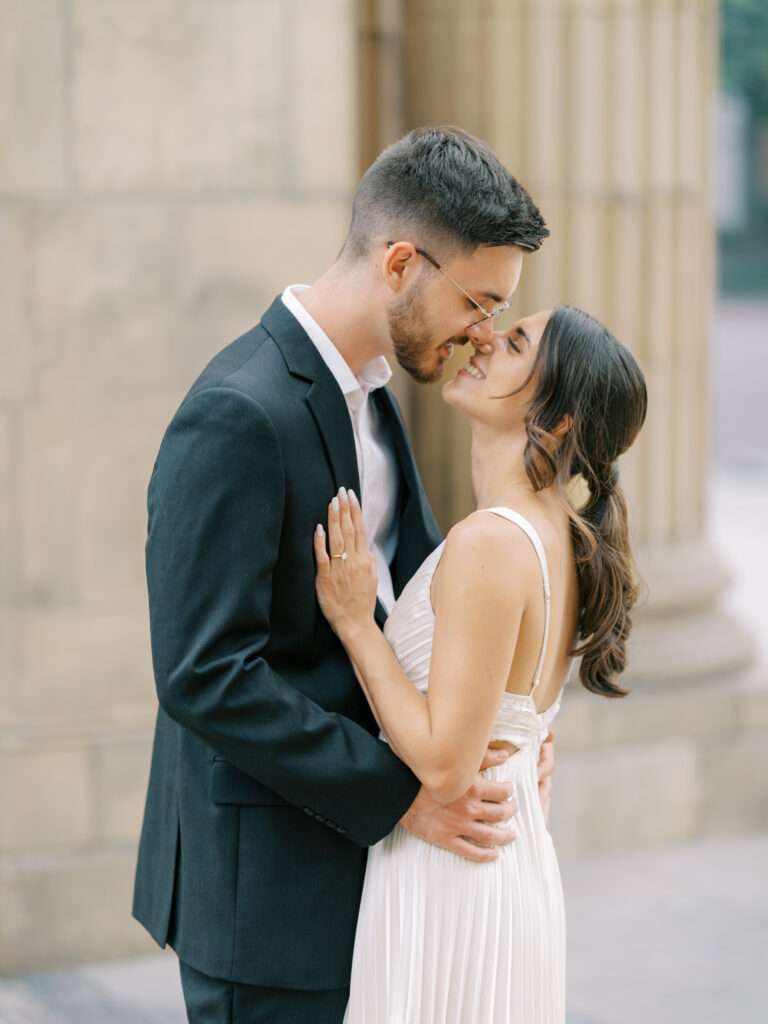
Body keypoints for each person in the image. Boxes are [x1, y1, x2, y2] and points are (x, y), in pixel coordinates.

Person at [132, 126, 553, 1022]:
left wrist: (504, 734)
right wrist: (402, 798)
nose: (483, 336)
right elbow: (204, 673)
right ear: (402, 262)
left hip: (361, 889)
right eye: (477, 302)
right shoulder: (236, 414)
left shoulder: (374, 393)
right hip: (265, 899)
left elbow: (419, 605)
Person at [314, 305, 648, 1023]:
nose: (487, 337)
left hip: (452, 875)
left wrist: (354, 622)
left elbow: (444, 765)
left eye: (517, 341)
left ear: (554, 420)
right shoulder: (554, 532)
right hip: (495, 864)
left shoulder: (492, 542)